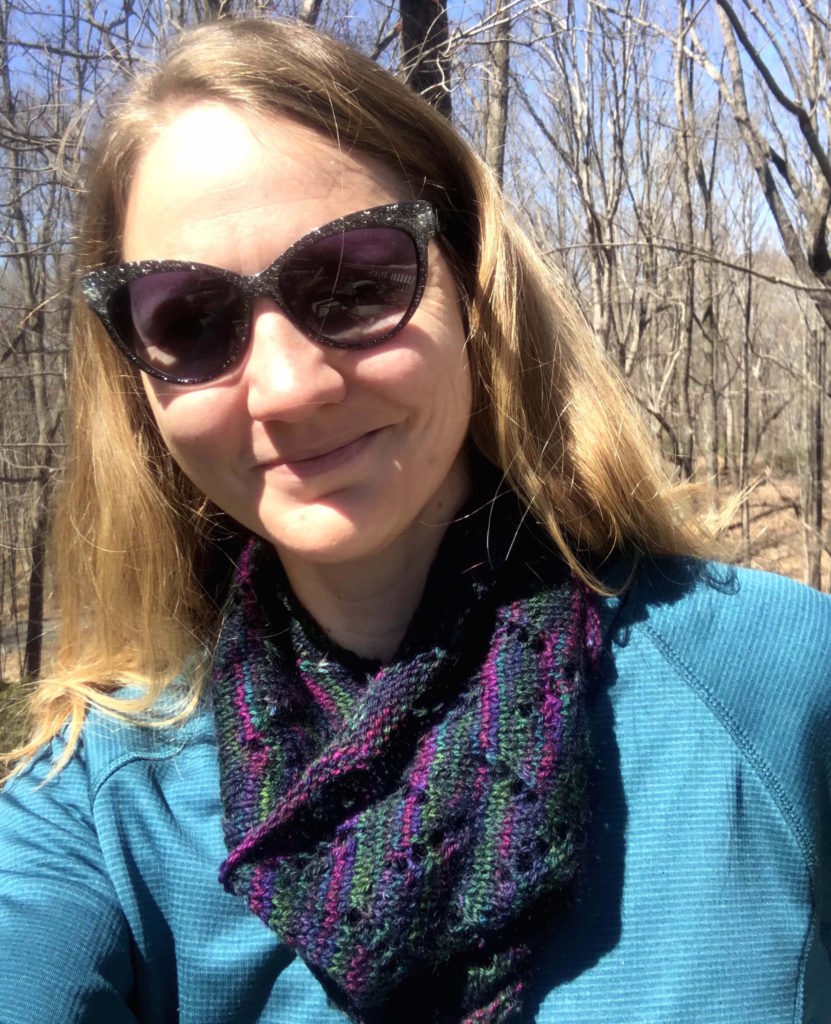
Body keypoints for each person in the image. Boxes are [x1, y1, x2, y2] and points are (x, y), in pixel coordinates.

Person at [0, 16, 828, 1024]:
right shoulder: (95, 808)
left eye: (352, 281)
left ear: (470, 283)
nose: (287, 386)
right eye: (190, 319)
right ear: (139, 377)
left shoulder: (775, 684)